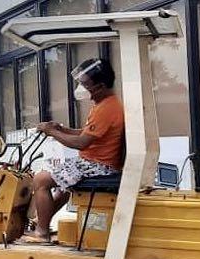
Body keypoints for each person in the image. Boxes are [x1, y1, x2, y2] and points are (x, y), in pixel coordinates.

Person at [23, 58, 124, 243]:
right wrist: (61, 129)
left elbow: (81, 143)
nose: (81, 88)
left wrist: (52, 132)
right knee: (63, 184)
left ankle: (42, 233)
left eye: (85, 84)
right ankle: (41, 220)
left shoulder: (106, 109)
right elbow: (87, 133)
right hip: (98, 163)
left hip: (99, 166)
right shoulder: (105, 103)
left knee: (41, 180)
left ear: (99, 86)